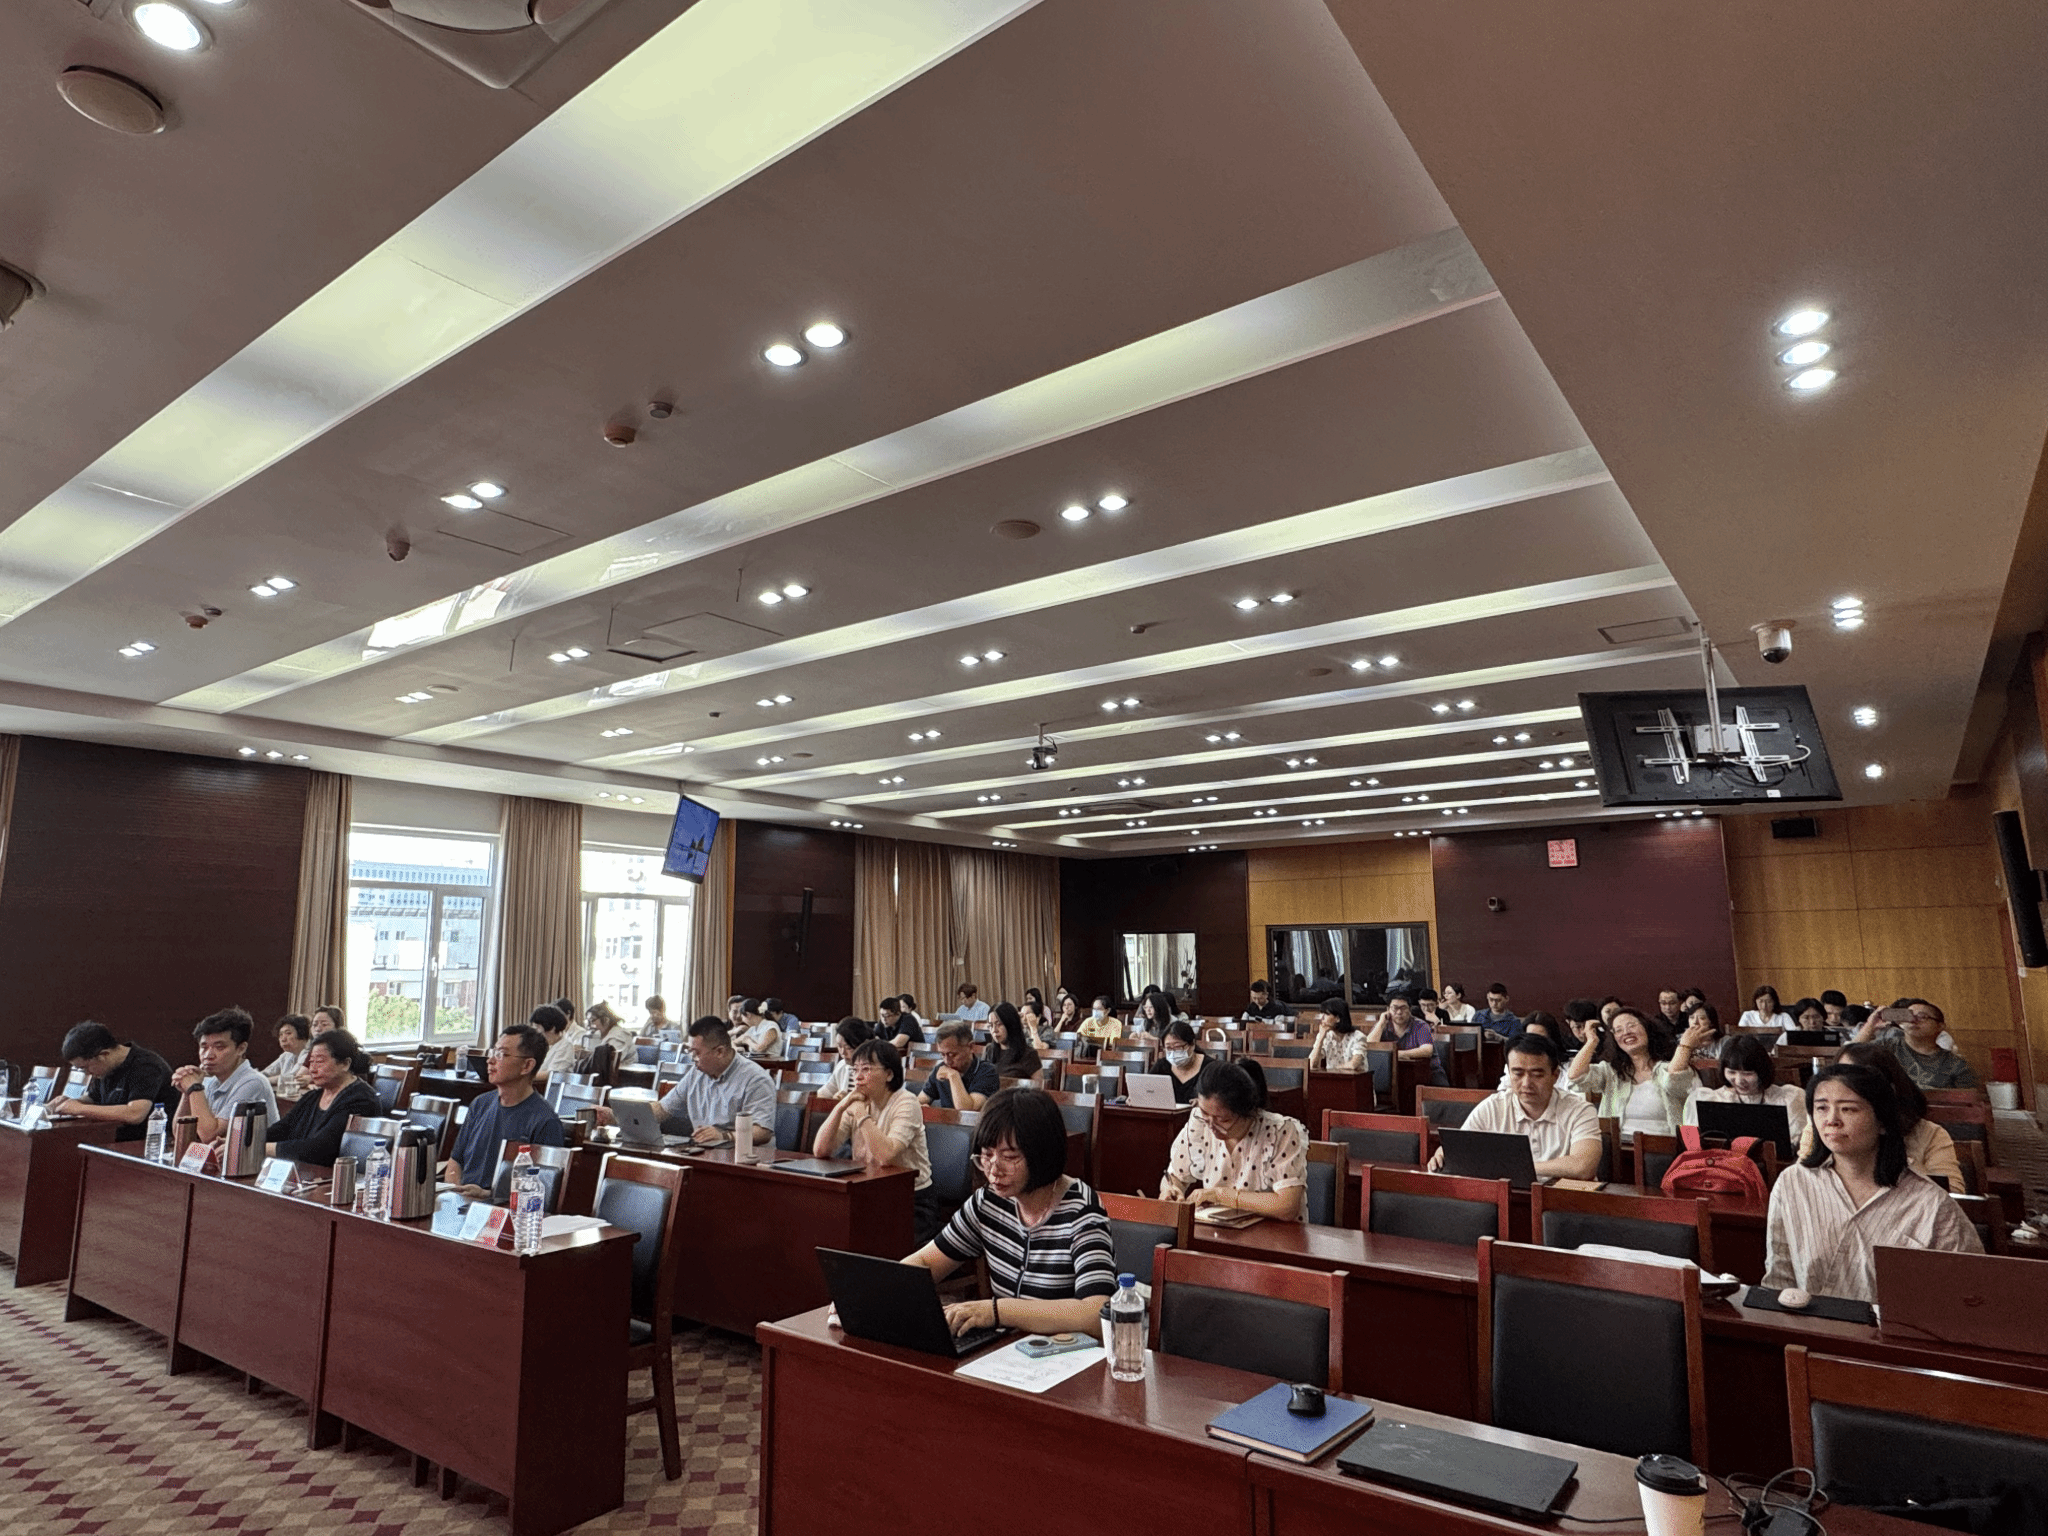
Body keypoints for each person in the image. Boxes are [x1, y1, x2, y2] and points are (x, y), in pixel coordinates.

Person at [903, 1087, 1117, 1336]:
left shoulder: (1082, 1210)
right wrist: (880, 1289)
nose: (994, 1170)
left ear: (1042, 1154)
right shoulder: (989, 1201)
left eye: (1009, 1157)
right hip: (1009, 1347)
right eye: (987, 1155)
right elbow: (925, 1262)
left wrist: (997, 1311)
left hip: (1068, 1350)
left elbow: (1096, 1312)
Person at [1762, 1063, 1981, 1302]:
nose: (1831, 1120)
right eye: (1821, 1108)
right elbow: (1779, 1279)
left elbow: (1968, 1292)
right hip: (1807, 1322)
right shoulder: (1793, 1182)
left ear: (1882, 1122)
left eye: (1848, 1109)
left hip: (1893, 1325)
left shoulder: (1931, 1203)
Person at [815, 1039, 938, 1240]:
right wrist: (840, 1107)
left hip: (910, 1201)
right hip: (868, 1192)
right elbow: (821, 1150)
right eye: (855, 1070)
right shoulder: (858, 1101)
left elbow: (885, 1156)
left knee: (868, 1242)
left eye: (866, 1069)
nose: (858, 1077)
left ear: (889, 1074)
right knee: (828, 1229)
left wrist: (861, 1115)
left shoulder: (906, 1102)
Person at [1798, 1043, 1965, 1190]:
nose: (1844, 1086)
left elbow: (1952, 1195)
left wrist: (1893, 1160)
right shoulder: (1821, 1130)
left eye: (1858, 1079)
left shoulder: (1930, 1134)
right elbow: (1803, 1182)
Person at [1436, 1034, 1601, 1180]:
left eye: (1537, 1075)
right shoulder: (1493, 1107)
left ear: (1555, 1076)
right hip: (1509, 1197)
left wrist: (1518, 1168)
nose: (1526, 1083)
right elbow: (1460, 1149)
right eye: (1518, 1073)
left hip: (1560, 1200)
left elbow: (1583, 1166)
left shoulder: (1579, 1110)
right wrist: (1445, 1154)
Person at [1159, 1061, 1306, 1220]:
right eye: (1204, 1113)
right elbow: (1174, 1177)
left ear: (1247, 1112)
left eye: (1223, 1120)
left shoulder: (1279, 1132)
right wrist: (1171, 1190)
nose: (1211, 1125)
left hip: (1272, 1231)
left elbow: (1287, 1206)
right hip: (1216, 1228)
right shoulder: (1200, 1123)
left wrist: (1221, 1195)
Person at [604, 1017, 774, 1146]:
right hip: (704, 1151)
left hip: (742, 1156)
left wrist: (724, 1136)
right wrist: (616, 1116)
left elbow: (762, 1131)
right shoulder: (696, 1074)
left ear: (720, 1052)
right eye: (690, 1052)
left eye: (697, 1053)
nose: (693, 1059)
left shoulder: (755, 1079)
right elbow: (662, 1109)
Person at [442, 1023, 566, 1195]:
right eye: (493, 1052)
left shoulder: (545, 1122)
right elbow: (455, 1161)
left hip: (502, 1208)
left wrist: (486, 1195)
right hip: (462, 1200)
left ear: (527, 1066)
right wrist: (455, 1191)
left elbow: (541, 1191)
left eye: (501, 1054)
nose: (490, 1060)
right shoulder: (480, 1104)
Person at [1567, 1006, 1707, 1140]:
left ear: (1647, 1028)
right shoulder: (1611, 1072)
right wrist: (1591, 1041)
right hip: (1618, 1149)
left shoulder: (1668, 1068)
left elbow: (1673, 1080)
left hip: (1664, 1149)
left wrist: (1685, 1047)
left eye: (1631, 1026)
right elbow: (1575, 1076)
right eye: (1618, 1030)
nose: (1626, 1032)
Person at [265, 1028, 381, 1166]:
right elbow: (283, 1129)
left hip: (339, 1175)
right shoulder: (313, 1096)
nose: (312, 1069)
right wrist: (251, 1140)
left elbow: (321, 1149)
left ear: (345, 1064)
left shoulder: (361, 1100)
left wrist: (263, 1148)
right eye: (311, 1062)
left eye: (319, 1061)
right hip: (304, 1170)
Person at [50, 1021, 177, 1141]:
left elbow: (135, 1114)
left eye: (85, 1068)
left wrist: (79, 1108)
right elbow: (94, 1098)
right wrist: (70, 1102)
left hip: (147, 1142)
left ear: (103, 1055)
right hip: (112, 1137)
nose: (87, 1074)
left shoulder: (146, 1066)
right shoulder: (107, 1067)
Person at [170, 1007, 279, 1144]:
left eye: (219, 1047)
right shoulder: (209, 1080)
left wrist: (194, 1088)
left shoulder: (253, 1082)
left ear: (241, 1049)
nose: (208, 1055)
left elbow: (210, 1136)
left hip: (251, 1157)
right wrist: (187, 1093)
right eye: (204, 1047)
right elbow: (180, 1135)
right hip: (215, 1156)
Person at [1684, 1034, 1808, 1144]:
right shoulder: (1711, 1100)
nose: (1739, 1081)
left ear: (1761, 1071)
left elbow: (1799, 1145)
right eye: (1731, 1072)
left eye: (1747, 1074)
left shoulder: (1789, 1098)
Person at [1856, 999, 1979, 1090]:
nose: (1913, 1020)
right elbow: (1849, 1058)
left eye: (1922, 1017)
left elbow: (1968, 1104)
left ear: (1940, 1026)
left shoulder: (1956, 1065)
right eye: (1909, 1015)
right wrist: (1870, 1026)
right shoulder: (1886, 1047)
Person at [921, 1023, 998, 1111]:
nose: (947, 1061)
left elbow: (967, 1112)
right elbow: (921, 1099)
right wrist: (920, 1106)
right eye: (942, 1054)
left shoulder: (987, 1071)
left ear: (971, 1047)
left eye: (952, 1054)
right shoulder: (941, 1068)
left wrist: (953, 1076)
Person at [1150, 1020, 1208, 1104]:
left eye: (1178, 1047)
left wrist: (1203, 1103)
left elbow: (1219, 1100)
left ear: (1192, 1045)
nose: (1173, 1052)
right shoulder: (1161, 1066)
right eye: (1168, 1048)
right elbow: (1147, 1089)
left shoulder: (1209, 1068)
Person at [1364, 995, 1433, 1064]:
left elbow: (1428, 1050)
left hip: (1418, 1068)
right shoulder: (1382, 1024)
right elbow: (1368, 1046)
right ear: (1388, 1010)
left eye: (1403, 1008)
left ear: (1409, 1010)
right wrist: (1381, 1023)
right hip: (1388, 1068)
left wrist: (1397, 1054)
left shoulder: (1421, 1025)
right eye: (1395, 1008)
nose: (1399, 1012)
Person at [1307, 999, 1369, 1072]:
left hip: (1355, 1077)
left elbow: (1353, 1065)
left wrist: (1332, 1069)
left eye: (1326, 1014)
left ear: (1338, 1018)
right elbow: (1312, 1064)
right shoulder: (1326, 1036)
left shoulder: (1358, 1037)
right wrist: (1321, 1037)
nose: (1322, 1018)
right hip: (1332, 1077)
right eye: (1321, 1014)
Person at [985, 1002, 1042, 1082]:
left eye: (999, 1024)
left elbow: (1039, 1086)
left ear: (1011, 1024)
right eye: (991, 1025)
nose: (994, 1030)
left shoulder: (1029, 1055)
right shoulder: (989, 1050)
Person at [818, 1017, 871, 1100]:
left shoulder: (874, 1069)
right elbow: (822, 1095)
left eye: (848, 1048)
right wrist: (834, 1099)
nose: (843, 1052)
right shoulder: (842, 1066)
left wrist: (846, 1100)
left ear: (862, 1045)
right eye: (839, 1046)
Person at [263, 1013, 313, 1095]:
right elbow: (267, 1072)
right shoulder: (286, 1055)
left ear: (302, 1034)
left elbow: (292, 1077)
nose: (283, 1039)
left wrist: (261, 1080)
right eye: (280, 1034)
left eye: (288, 1033)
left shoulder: (309, 1054)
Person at [531, 1005, 575, 1083]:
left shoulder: (565, 1046)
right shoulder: (540, 1044)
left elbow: (552, 1074)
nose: (535, 1031)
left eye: (537, 1027)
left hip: (550, 1088)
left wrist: (522, 1077)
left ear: (552, 1028)